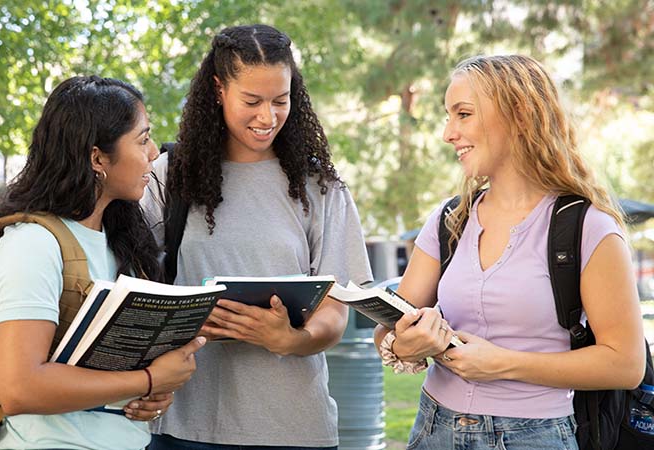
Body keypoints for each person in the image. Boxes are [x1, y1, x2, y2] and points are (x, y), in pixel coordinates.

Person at [373, 54, 645, 450]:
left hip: (534, 437)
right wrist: (403, 344)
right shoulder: (450, 220)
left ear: (518, 114)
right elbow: (388, 326)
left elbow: (625, 364)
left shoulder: (588, 227)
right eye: (448, 116)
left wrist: (502, 363)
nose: (448, 132)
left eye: (463, 114)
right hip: (434, 428)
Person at [141, 24, 372, 449]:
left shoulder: (319, 186)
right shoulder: (168, 178)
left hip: (294, 428)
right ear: (218, 90)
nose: (268, 117)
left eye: (280, 101)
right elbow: (133, 283)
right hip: (187, 427)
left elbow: (336, 310)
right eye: (252, 101)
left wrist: (292, 339)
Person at [0, 76, 206, 450]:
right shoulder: (33, 243)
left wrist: (151, 397)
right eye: (142, 139)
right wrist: (147, 380)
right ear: (98, 158)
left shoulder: (123, 244)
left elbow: (107, 380)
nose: (153, 155)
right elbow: (20, 387)